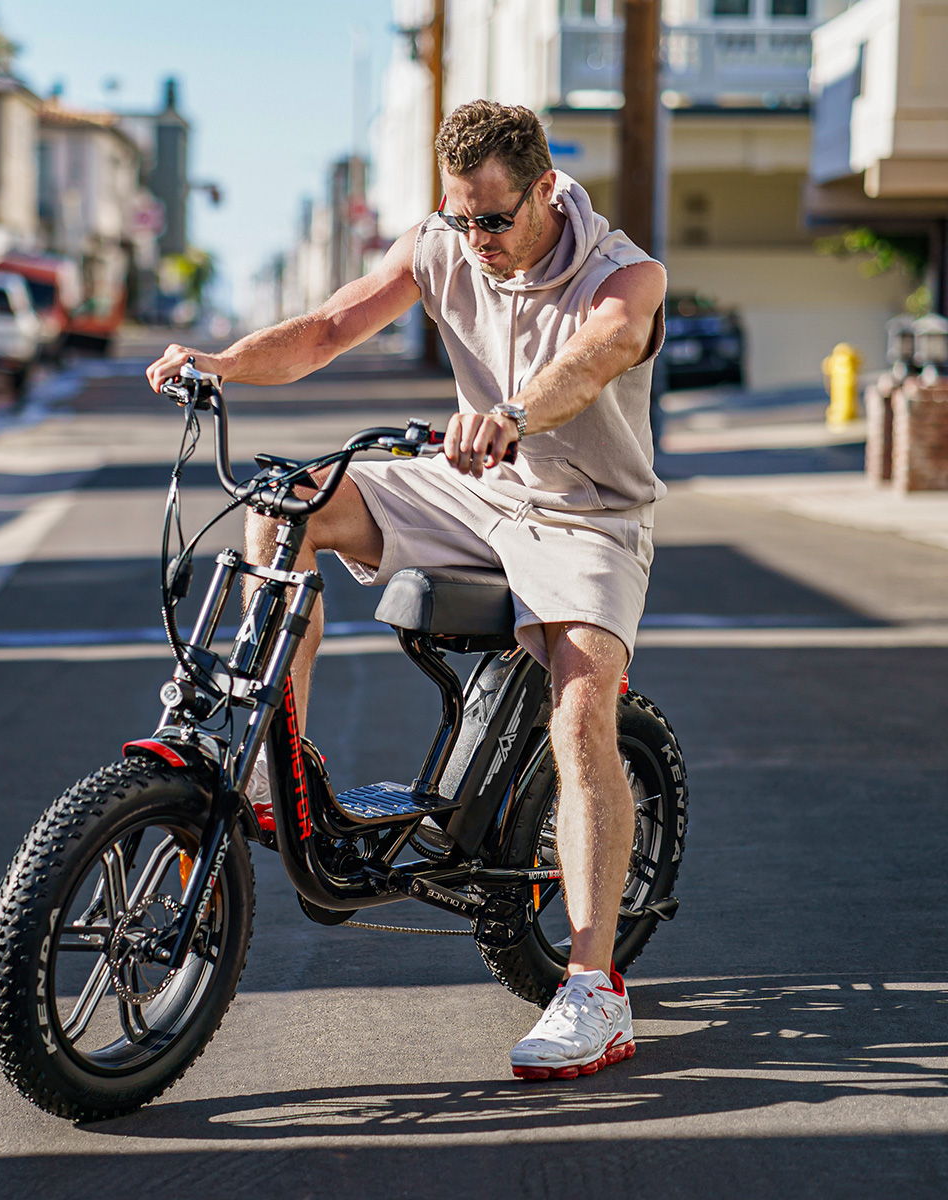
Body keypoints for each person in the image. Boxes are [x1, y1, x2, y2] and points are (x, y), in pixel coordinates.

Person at [147, 100, 667, 1081]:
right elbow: (330, 327)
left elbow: (596, 353)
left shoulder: (623, 271)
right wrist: (218, 363)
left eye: (493, 220)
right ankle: (274, 761)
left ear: (546, 191)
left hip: (588, 510)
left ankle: (596, 991)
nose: (475, 241)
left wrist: (512, 412)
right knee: (288, 501)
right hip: (474, 487)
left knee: (582, 704)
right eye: (459, 217)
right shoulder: (444, 244)